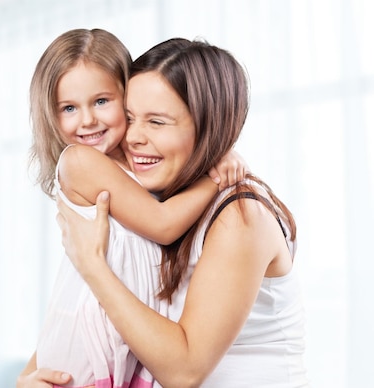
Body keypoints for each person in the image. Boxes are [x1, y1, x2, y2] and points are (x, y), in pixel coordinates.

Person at [54, 38, 309, 387]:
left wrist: (92, 265)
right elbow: (86, 307)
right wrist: (31, 375)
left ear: (209, 126)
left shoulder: (240, 215)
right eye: (129, 118)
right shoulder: (161, 203)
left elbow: (184, 372)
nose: (133, 138)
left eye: (157, 122)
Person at [20, 29, 249, 388]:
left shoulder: (137, 159)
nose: (87, 120)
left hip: (127, 342)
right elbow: (162, 224)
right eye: (68, 108)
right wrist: (216, 177)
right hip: (89, 343)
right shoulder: (79, 162)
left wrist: (217, 151)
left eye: (101, 101)